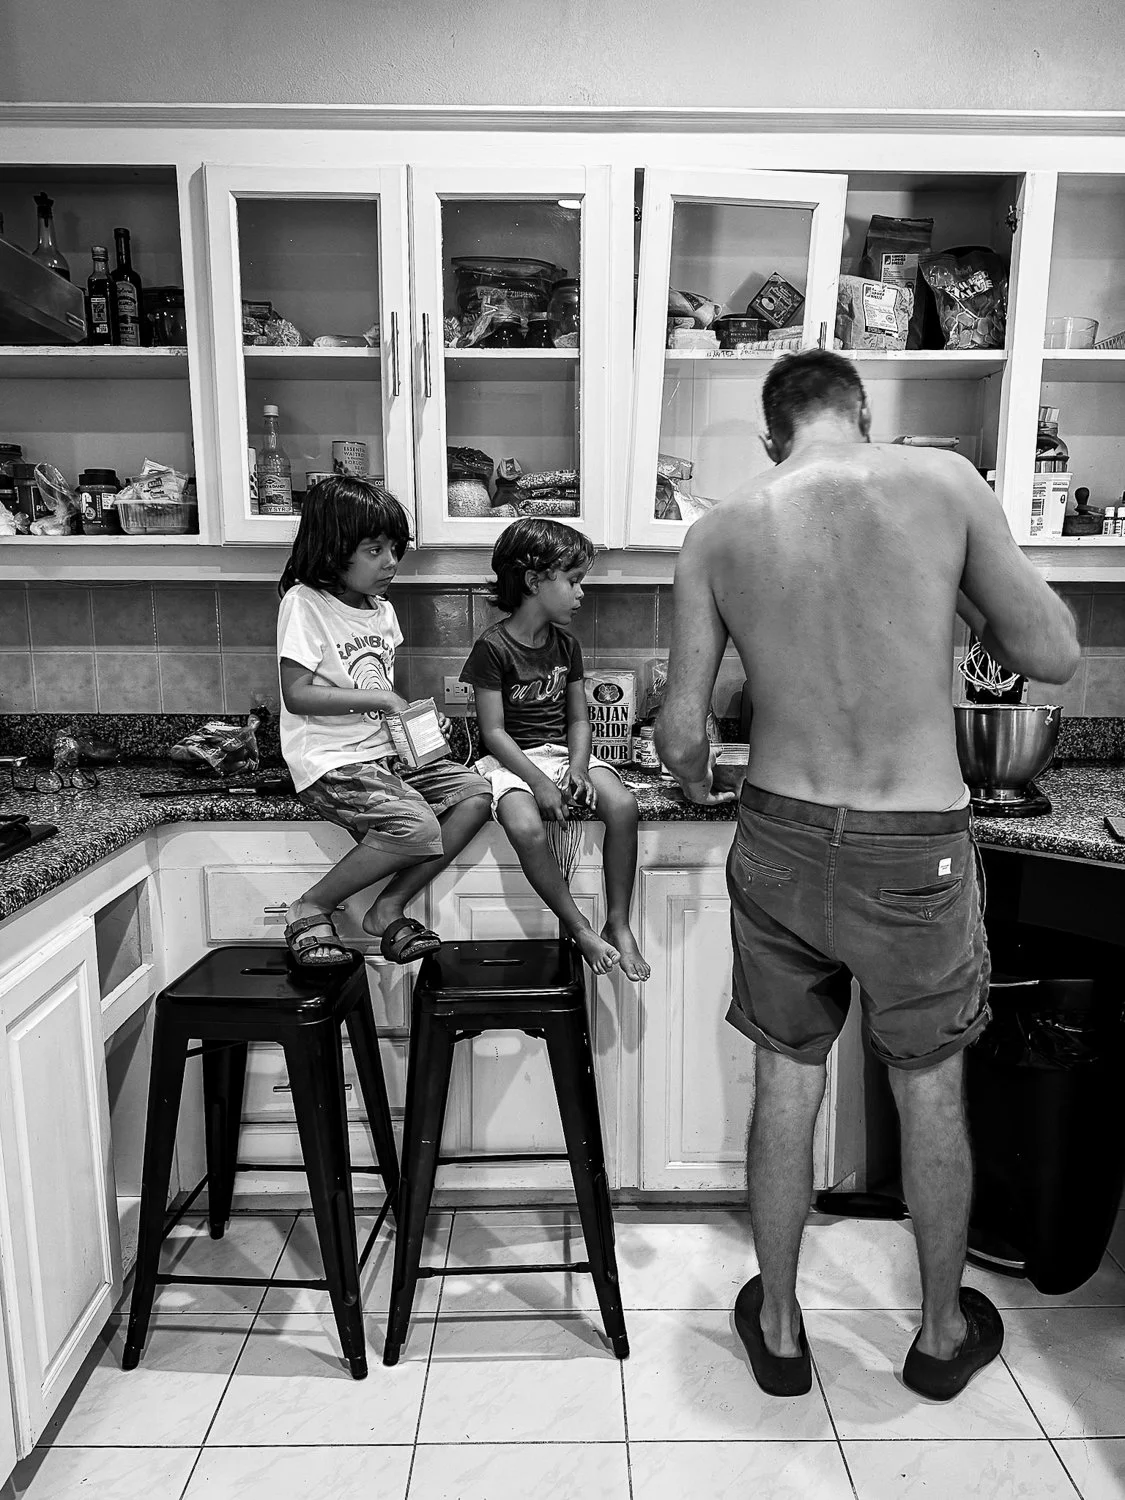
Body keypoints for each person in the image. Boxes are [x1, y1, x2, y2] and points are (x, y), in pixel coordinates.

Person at [655, 350, 1079, 1402]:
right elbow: (1053, 651)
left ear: (772, 437)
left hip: (782, 836)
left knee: (786, 1081)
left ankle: (783, 1328)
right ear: (863, 415)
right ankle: (940, 1335)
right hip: (914, 843)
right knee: (928, 1083)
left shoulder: (716, 531)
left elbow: (679, 742)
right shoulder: (943, 484)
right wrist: (970, 603)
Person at [277, 475, 492, 970]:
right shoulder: (305, 604)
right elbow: (297, 695)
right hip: (332, 761)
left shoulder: (382, 612)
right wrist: (383, 699)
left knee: (475, 795)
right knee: (414, 827)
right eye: (374, 549)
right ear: (333, 550)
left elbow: (375, 691)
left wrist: (411, 718)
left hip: (384, 756)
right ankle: (311, 906)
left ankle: (387, 908)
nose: (391, 562)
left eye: (395, 548)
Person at [460, 518, 650, 981]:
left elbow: (579, 718)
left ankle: (619, 922)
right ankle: (579, 926)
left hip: (563, 755)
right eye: (573, 580)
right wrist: (539, 782)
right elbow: (494, 734)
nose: (581, 593)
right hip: (514, 759)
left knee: (623, 805)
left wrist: (580, 770)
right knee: (525, 826)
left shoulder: (566, 644)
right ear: (533, 580)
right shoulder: (492, 647)